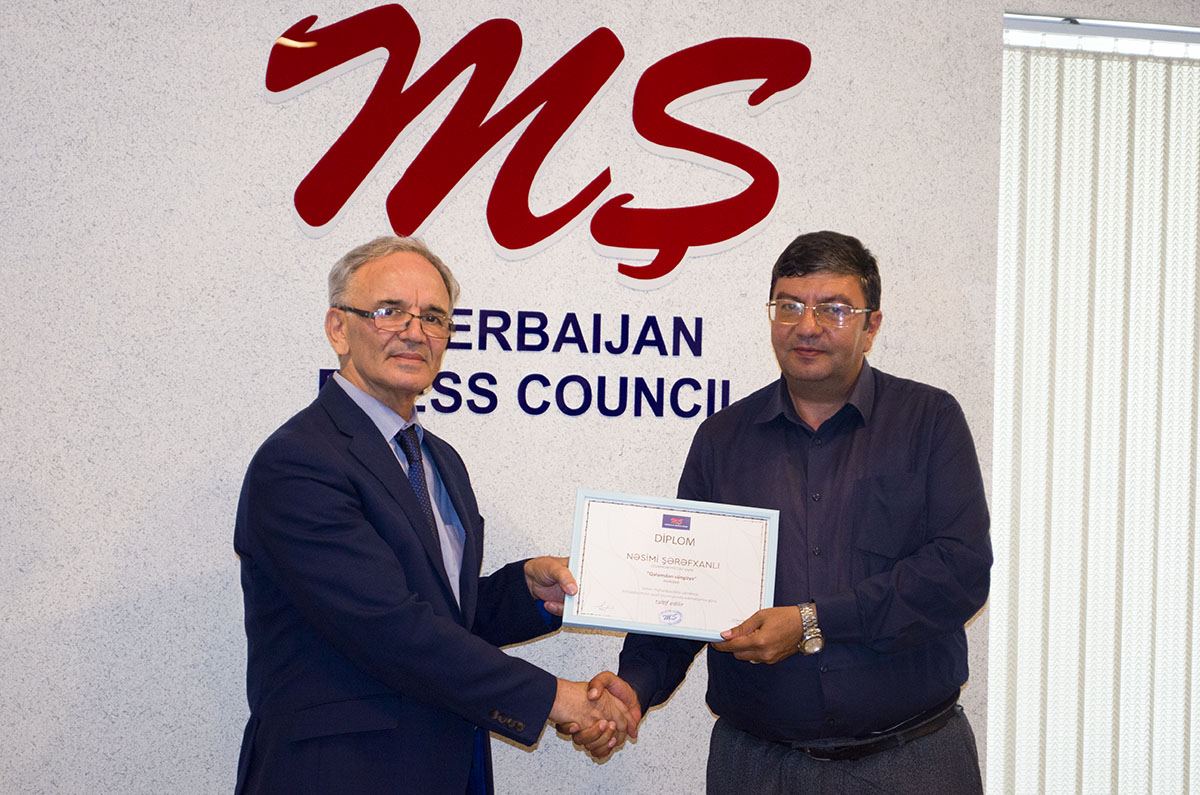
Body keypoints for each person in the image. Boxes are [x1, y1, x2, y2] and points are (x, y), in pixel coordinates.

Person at [571, 231, 992, 793]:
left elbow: (960, 572)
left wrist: (812, 621)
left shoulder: (929, 421)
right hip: (758, 767)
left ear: (871, 326)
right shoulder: (722, 440)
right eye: (789, 306)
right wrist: (636, 685)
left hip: (911, 760)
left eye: (834, 309)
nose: (807, 326)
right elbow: (685, 585)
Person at [234, 236, 629, 794]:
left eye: (434, 317)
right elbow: (386, 627)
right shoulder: (300, 462)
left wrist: (524, 592)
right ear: (338, 329)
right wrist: (555, 698)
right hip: (340, 773)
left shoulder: (438, 459)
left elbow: (441, 615)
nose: (415, 332)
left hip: (445, 767)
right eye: (389, 311)